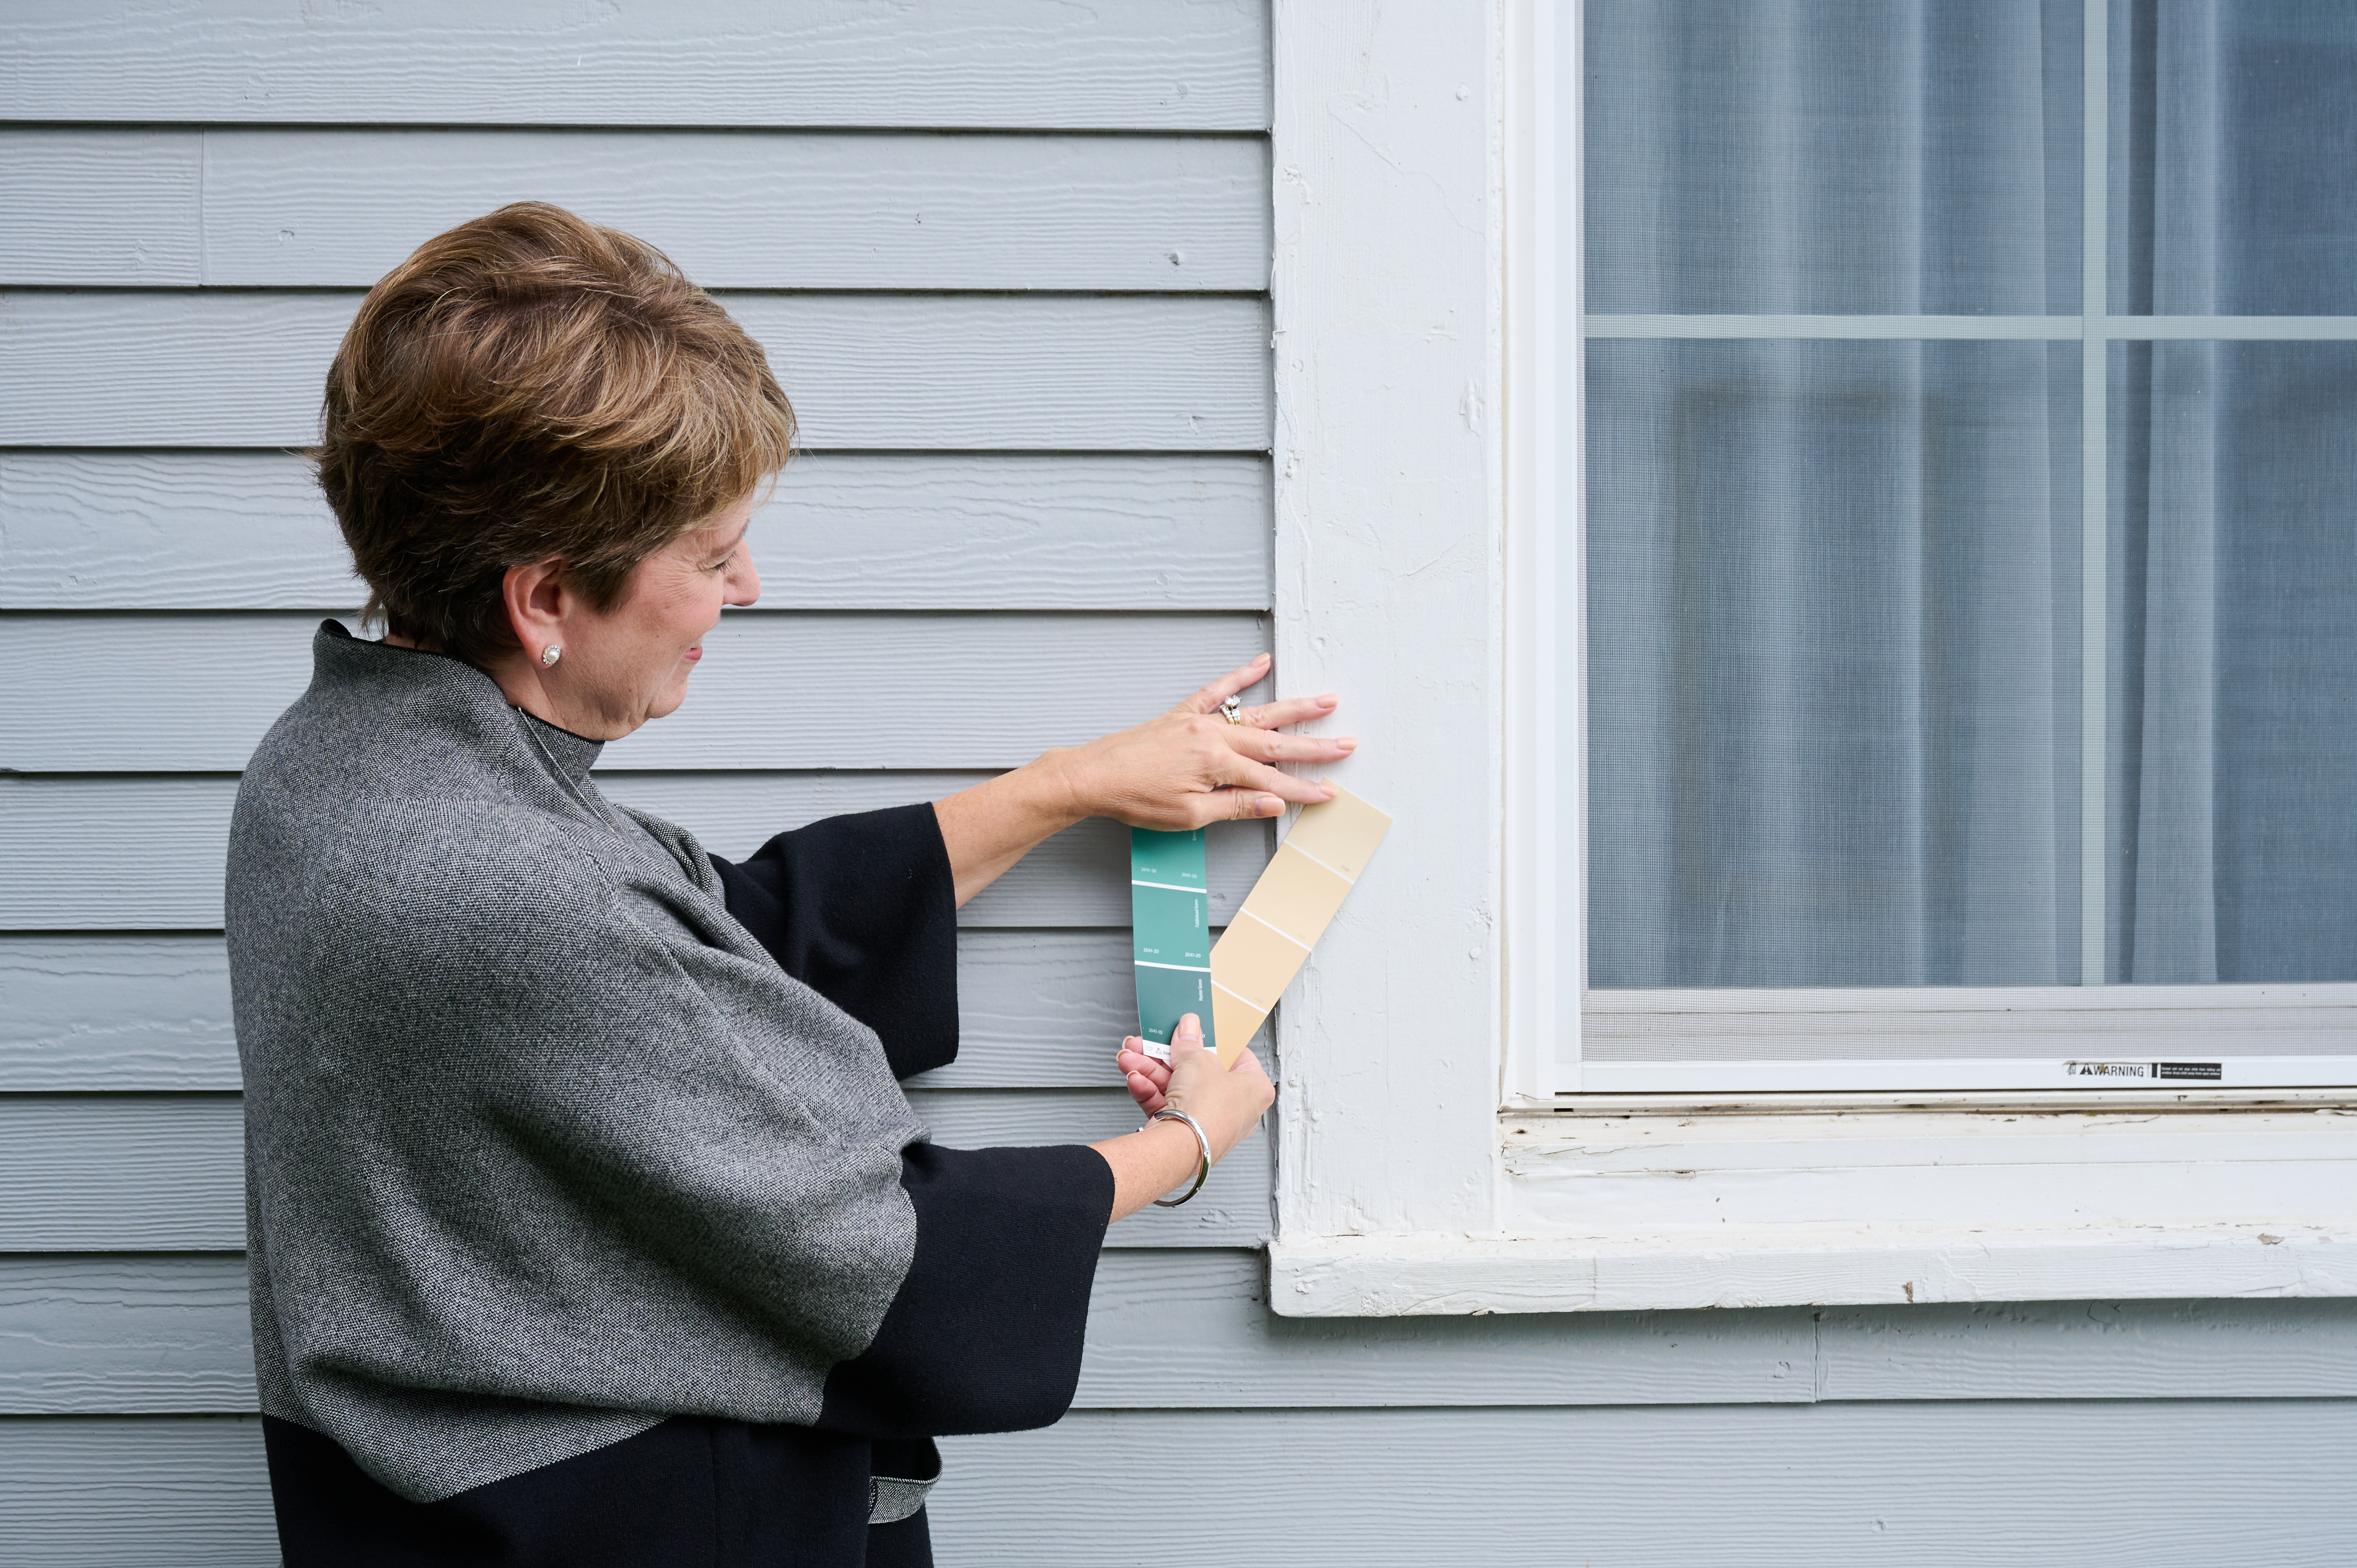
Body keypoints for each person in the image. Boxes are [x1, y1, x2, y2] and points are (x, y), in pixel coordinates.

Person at [225, 202, 1352, 1567]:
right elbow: (893, 1260)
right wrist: (1189, 1142)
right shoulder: (512, 883)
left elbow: (710, 942)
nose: (747, 588)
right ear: (545, 600)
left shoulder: (335, 766)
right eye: (709, 556)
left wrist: (1068, 786)